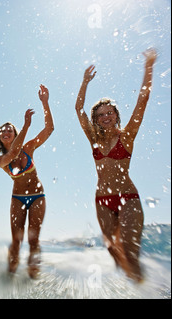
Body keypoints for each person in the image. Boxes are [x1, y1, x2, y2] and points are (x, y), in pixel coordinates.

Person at [75, 49, 157, 283]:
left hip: (128, 197)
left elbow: (143, 99)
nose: (105, 117)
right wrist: (84, 82)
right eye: (100, 115)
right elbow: (79, 110)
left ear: (115, 114)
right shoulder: (94, 139)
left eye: (109, 112)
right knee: (112, 250)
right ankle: (135, 286)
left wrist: (148, 66)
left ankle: (143, 289)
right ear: (96, 120)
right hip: (102, 199)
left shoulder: (127, 135)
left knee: (129, 251)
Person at [0, 84, 54, 278]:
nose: (6, 132)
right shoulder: (0, 160)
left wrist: (45, 103)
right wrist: (25, 125)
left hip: (37, 196)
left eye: (10, 130)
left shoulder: (28, 147)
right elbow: (13, 154)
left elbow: (49, 129)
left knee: (33, 240)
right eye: (3, 131)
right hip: (17, 198)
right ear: (0, 137)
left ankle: (33, 281)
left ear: (15, 134)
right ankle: (9, 279)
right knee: (16, 241)